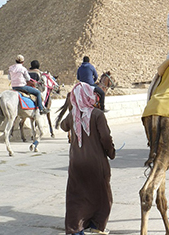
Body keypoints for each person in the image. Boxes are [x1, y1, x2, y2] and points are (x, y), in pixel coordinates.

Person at [61, 82, 116, 235]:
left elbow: (62, 126)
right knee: (102, 196)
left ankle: (75, 228)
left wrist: (74, 114)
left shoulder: (72, 116)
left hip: (76, 164)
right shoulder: (98, 114)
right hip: (96, 164)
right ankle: (96, 225)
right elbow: (105, 137)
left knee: (76, 197)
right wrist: (111, 152)